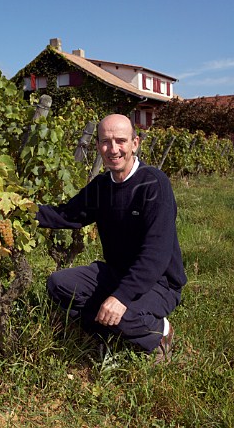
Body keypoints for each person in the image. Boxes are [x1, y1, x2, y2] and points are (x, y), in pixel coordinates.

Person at [37, 114, 187, 362]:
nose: (113, 149)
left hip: (159, 283)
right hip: (116, 272)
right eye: (106, 141)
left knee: (124, 313)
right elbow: (66, 215)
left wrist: (120, 297)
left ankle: (161, 333)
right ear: (98, 146)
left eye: (120, 141)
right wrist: (19, 210)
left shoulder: (154, 185)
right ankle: (106, 330)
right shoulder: (101, 186)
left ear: (135, 143)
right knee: (58, 284)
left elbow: (156, 255)